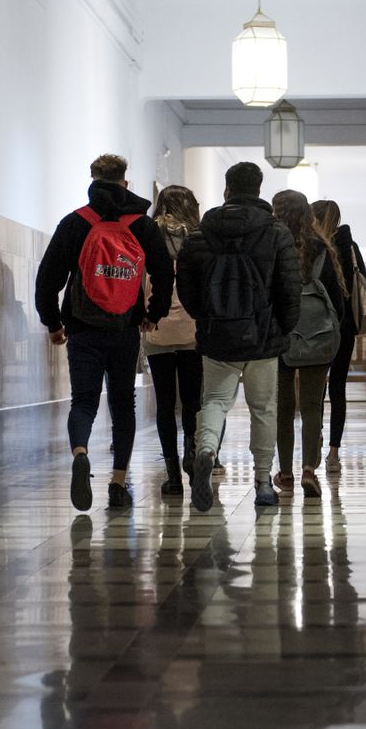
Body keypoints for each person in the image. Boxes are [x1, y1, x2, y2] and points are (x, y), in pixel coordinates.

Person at [35, 153, 174, 512]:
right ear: (125, 182)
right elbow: (164, 273)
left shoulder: (75, 223)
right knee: (122, 402)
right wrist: (153, 313)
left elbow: (48, 278)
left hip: (82, 328)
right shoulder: (142, 226)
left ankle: (80, 452)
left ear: (93, 179)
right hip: (125, 328)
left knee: (83, 400)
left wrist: (53, 323)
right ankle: (117, 480)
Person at [177, 161, 302, 510]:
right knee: (263, 408)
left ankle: (205, 451)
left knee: (215, 401)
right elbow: (290, 289)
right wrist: (282, 328)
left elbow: (185, 286)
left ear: (227, 190)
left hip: (217, 335)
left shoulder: (200, 235)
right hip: (262, 338)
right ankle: (263, 483)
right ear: (259, 190)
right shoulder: (277, 233)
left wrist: (205, 317)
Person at [272, 190, 347, 500]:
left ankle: (286, 473)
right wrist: (331, 330)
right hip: (317, 335)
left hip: (281, 336)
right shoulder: (321, 248)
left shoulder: (272, 245)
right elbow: (337, 299)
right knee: (312, 406)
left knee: (284, 408)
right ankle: (308, 470)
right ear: (307, 215)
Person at [143, 185, 204, 498]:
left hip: (157, 326)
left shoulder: (148, 235)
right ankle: (192, 454)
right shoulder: (199, 236)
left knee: (165, 403)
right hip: (194, 328)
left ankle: (172, 476)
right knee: (193, 400)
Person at [311, 199, 366, 475]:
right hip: (346, 329)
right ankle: (334, 452)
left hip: (319, 325)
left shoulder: (314, 247)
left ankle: (317, 437)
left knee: (316, 387)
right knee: (338, 388)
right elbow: (363, 285)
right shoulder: (352, 247)